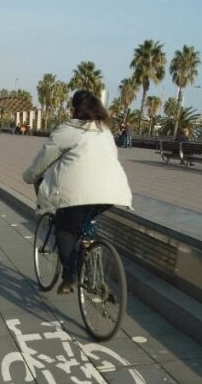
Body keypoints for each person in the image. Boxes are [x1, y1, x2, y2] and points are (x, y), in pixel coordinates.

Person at [23, 90, 132, 294]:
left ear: (75, 108)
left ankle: (70, 276)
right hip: (112, 192)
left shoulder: (68, 130)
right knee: (84, 223)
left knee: (65, 232)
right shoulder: (105, 130)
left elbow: (45, 157)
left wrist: (29, 176)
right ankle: (90, 260)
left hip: (79, 194)